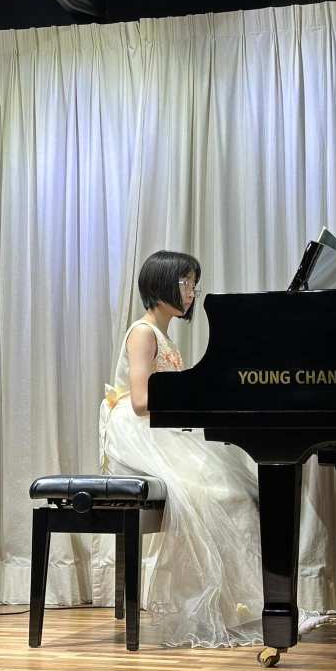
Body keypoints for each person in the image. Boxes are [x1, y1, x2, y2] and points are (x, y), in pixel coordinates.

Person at [100, 249, 271, 647]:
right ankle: (208, 606)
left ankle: (237, 605)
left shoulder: (164, 335)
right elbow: (141, 400)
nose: (192, 291)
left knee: (235, 491)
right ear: (161, 285)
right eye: (185, 282)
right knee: (213, 494)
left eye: (194, 283)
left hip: (160, 429)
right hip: (138, 432)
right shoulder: (143, 333)